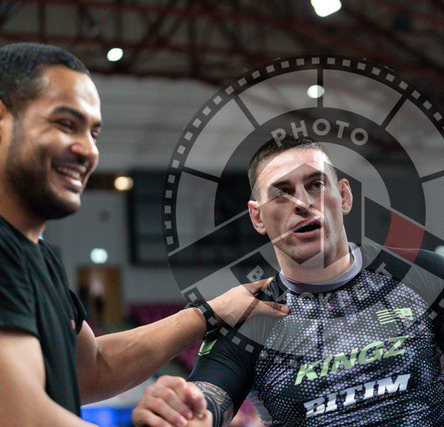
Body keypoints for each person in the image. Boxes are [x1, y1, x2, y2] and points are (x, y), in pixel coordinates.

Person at [133, 135, 444, 426]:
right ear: (258, 217)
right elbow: (208, 401)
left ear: (343, 196)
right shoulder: (247, 317)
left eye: (315, 185)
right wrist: (183, 411)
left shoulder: (421, 277)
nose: (303, 203)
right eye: (282, 192)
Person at [0, 42, 288, 427]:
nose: (88, 150)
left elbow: (92, 369)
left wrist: (211, 312)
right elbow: (22, 416)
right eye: (66, 124)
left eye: (94, 133)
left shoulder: (38, 257)